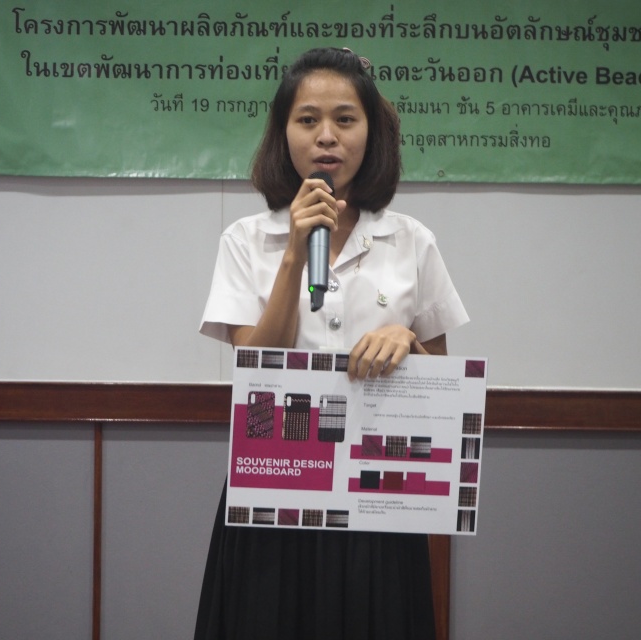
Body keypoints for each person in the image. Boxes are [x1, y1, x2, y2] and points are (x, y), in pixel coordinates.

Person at [195, 47, 469, 640]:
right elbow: (255, 369)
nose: (326, 136)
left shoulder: (411, 241)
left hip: (379, 497)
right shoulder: (245, 240)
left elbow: (442, 393)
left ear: (371, 133)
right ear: (283, 133)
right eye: (307, 119)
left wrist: (407, 340)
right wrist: (294, 254)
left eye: (345, 119)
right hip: (274, 489)